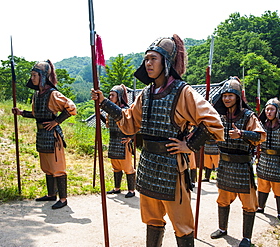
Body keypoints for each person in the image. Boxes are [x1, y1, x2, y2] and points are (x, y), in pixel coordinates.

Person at [91, 34, 224, 246]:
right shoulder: (146, 94)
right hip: (148, 165)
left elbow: (214, 123)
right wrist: (105, 103)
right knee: (152, 221)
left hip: (173, 167)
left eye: (153, 58)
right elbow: (128, 123)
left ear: (166, 62)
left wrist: (189, 145)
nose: (148, 63)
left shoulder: (183, 92)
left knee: (182, 225)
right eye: (146, 59)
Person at [12, 60, 77, 209]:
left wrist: (57, 121)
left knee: (58, 167)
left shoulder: (53, 94)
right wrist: (21, 113)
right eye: (32, 75)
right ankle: (51, 194)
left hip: (53, 137)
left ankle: (63, 199)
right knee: (47, 167)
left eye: (34, 75)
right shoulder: (37, 95)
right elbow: (37, 114)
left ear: (42, 76)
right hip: (42, 135)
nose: (32, 78)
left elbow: (71, 107)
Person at [209, 78, 266, 247]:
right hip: (225, 165)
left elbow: (261, 136)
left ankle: (247, 238)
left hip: (242, 165)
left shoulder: (249, 116)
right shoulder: (220, 116)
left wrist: (242, 133)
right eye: (224, 96)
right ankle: (222, 228)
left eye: (230, 96)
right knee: (222, 199)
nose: (227, 99)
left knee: (249, 204)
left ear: (237, 98)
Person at [105, 84, 136, 198]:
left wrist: (130, 137)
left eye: (112, 95)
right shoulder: (111, 111)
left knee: (128, 167)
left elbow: (135, 125)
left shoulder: (125, 110)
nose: (110, 97)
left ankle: (131, 190)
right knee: (116, 166)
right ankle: (117, 188)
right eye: (109, 95)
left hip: (123, 142)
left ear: (119, 96)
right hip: (113, 141)